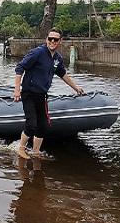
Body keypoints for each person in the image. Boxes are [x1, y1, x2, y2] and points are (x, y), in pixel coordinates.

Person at [13, 28, 84, 159]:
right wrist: (17, 90)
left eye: (55, 39)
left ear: (60, 41)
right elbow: (20, 67)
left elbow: (62, 74)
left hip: (41, 95)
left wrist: (76, 87)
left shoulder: (57, 59)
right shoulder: (37, 53)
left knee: (44, 126)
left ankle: (35, 151)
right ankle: (21, 149)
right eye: (50, 38)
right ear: (46, 39)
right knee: (31, 124)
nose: (52, 41)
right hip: (29, 93)